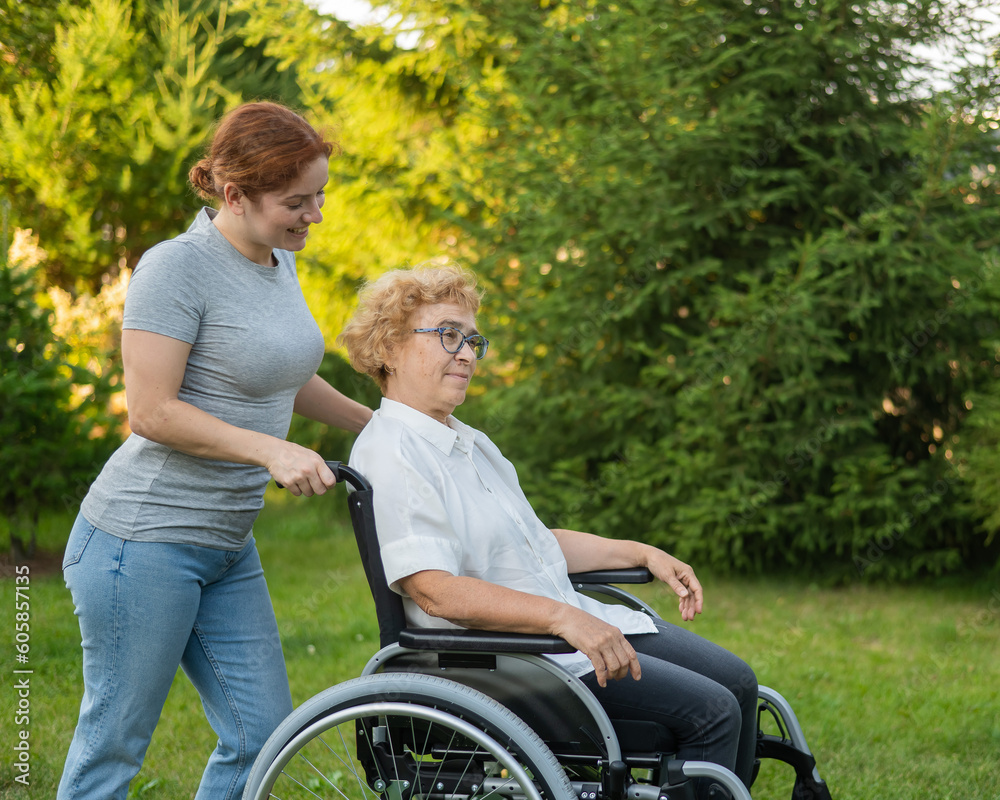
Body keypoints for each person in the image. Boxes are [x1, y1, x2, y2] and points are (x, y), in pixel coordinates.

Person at [338, 264, 758, 799]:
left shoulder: (466, 441)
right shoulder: (394, 451)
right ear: (389, 346)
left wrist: (641, 552)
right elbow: (434, 590)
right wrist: (564, 618)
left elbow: (533, 542)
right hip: (508, 663)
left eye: (472, 339)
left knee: (739, 683)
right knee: (713, 712)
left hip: (557, 635)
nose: (466, 353)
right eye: (447, 335)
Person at [58, 101, 373, 800]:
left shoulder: (276, 258)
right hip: (140, 542)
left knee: (261, 737)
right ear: (235, 195)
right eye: (297, 201)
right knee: (113, 749)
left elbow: (281, 373)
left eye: (319, 195)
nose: (314, 215)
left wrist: (374, 423)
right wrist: (269, 452)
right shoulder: (175, 269)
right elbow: (151, 411)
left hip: (226, 545)